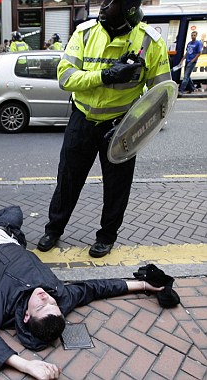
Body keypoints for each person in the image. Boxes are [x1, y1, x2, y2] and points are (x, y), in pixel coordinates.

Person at [0, 206, 177, 380]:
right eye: (52, 303)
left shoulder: (4, 299)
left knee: (14, 212)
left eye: (41, 305)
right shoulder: (61, 298)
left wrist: (27, 366)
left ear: (25, 316)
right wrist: (145, 286)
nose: (45, 296)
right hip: (18, 245)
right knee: (15, 229)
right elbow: (96, 288)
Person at [37, 0, 171, 258]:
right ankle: (54, 230)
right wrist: (106, 75)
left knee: (117, 186)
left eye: (111, 2)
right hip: (82, 121)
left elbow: (161, 95)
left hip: (121, 126)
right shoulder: (85, 32)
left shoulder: (150, 42)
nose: (103, 6)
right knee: (67, 179)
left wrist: (132, 125)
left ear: (128, 9)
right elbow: (65, 78)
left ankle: (107, 236)